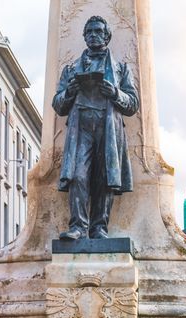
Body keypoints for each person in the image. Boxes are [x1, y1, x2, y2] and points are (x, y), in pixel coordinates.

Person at [52, 15, 139, 240]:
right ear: (84, 36)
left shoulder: (120, 68)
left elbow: (133, 104)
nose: (93, 35)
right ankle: (78, 227)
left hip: (108, 126)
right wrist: (70, 91)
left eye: (98, 31)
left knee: (104, 176)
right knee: (77, 175)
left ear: (107, 36)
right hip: (81, 126)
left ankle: (99, 227)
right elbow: (59, 105)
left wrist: (115, 93)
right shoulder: (71, 69)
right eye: (89, 31)